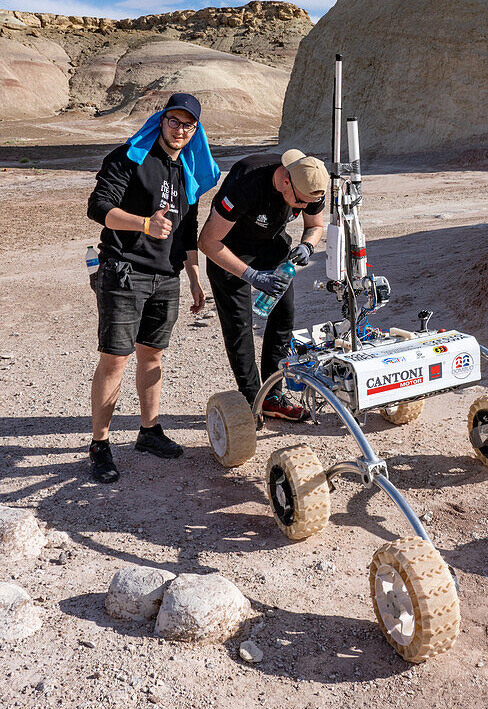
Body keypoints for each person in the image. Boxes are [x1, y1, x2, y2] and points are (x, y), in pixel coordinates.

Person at [86, 93, 220, 483]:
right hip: (125, 271)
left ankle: (149, 431)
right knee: (115, 359)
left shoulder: (188, 170)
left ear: (196, 130)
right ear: (161, 121)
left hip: (166, 276)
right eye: (174, 121)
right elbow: (98, 207)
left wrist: (194, 275)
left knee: (152, 357)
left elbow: (187, 230)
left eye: (188, 125)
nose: (180, 130)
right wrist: (144, 224)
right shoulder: (130, 157)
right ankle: (100, 445)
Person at [198, 148, 329, 421]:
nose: (301, 209)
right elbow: (208, 242)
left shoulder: (310, 183)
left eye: (306, 204)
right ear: (285, 182)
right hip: (229, 249)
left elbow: (315, 224)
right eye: (300, 203)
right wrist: (253, 276)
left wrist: (308, 246)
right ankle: (251, 401)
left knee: (283, 319)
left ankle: (271, 396)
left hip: (271, 245)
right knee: (240, 327)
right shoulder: (246, 183)